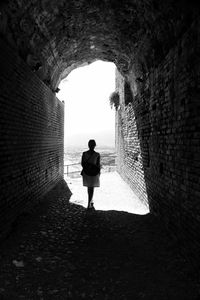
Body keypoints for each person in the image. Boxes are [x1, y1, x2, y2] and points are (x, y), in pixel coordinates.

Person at [81, 139, 101, 209]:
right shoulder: (97, 154)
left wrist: (88, 167)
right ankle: (89, 202)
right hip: (94, 173)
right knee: (91, 188)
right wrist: (99, 174)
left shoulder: (84, 153)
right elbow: (98, 166)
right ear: (95, 145)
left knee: (89, 187)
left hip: (86, 172)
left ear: (88, 145)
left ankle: (90, 201)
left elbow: (82, 164)